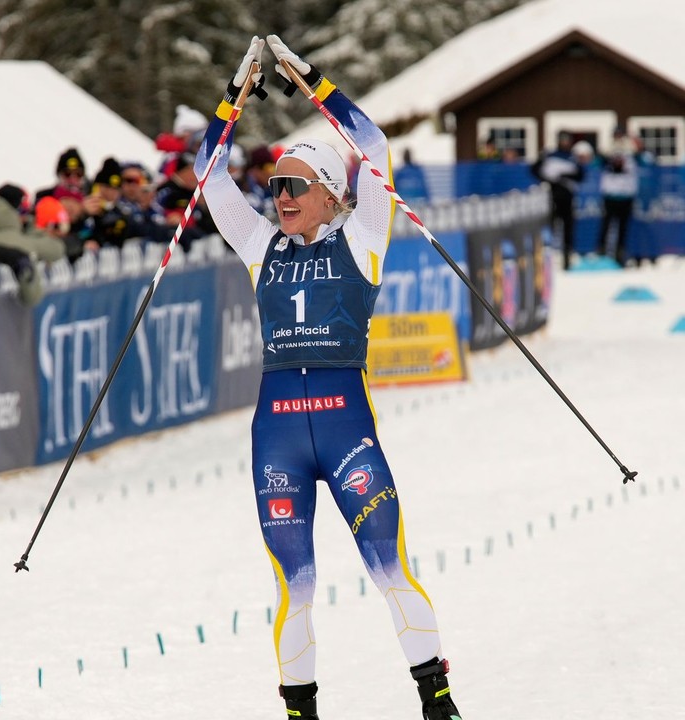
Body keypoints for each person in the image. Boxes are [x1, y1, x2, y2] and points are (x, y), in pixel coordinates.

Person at [194, 36, 463, 720]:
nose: (278, 197)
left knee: (389, 568)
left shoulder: (364, 237)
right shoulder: (260, 246)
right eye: (275, 186)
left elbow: (372, 144)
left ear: (330, 195)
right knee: (296, 586)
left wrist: (314, 83)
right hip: (278, 434)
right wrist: (236, 91)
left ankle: (437, 702)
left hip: (346, 428)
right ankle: (299, 712)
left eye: (293, 186)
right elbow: (209, 175)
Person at [531, 130, 584, 270]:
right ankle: (546, 258)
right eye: (563, 139)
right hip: (552, 196)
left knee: (568, 228)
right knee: (549, 228)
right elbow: (534, 169)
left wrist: (564, 176)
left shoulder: (572, 157)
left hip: (568, 197)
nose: (565, 142)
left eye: (567, 140)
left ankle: (567, 257)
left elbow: (580, 175)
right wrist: (549, 180)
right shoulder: (550, 155)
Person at [597, 150, 638, 266]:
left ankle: (620, 255)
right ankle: (602, 253)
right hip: (610, 200)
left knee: (622, 229)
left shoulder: (631, 166)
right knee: (606, 227)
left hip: (626, 201)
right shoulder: (607, 167)